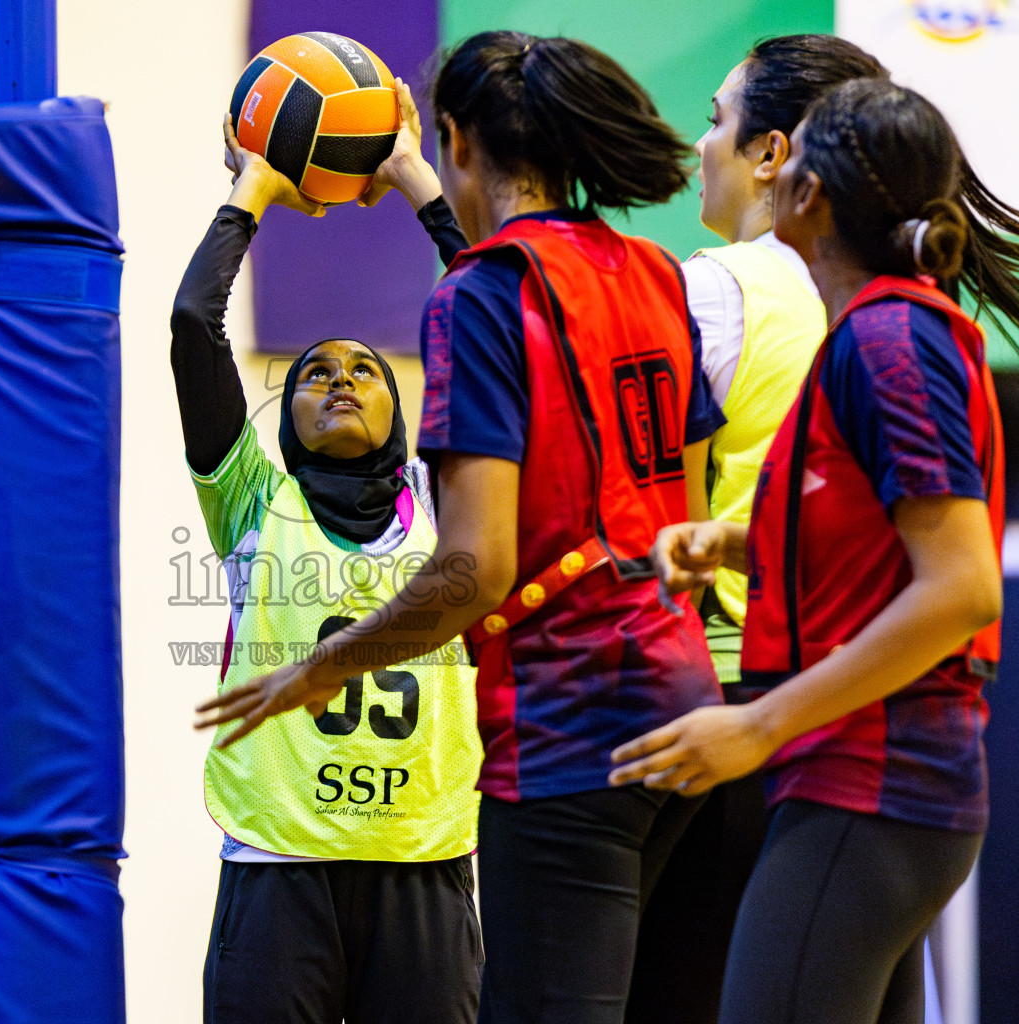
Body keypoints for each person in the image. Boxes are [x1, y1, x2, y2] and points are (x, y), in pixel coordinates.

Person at [198, 32, 724, 1024]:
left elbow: (475, 570)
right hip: (684, 699)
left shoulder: (477, 297)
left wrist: (324, 666)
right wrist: (421, 186)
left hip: (568, 722)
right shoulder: (655, 273)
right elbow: (685, 535)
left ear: (458, 142)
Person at [627, 36, 1019, 1024]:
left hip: (872, 779)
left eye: (789, 157)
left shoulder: (890, 341)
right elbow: (880, 545)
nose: (766, 164)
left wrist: (755, 722)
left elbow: (962, 587)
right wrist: (737, 545)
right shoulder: (874, 331)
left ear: (814, 195)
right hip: (862, 782)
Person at [174, 107, 485, 1024]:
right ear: (285, 418)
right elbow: (195, 326)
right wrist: (254, 191)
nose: (343, 378)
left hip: (422, 866)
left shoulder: (447, 500)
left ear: (402, 411)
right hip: (278, 869)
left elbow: (497, 320)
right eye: (315, 372)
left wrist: (416, 181)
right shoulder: (251, 503)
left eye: (365, 370)